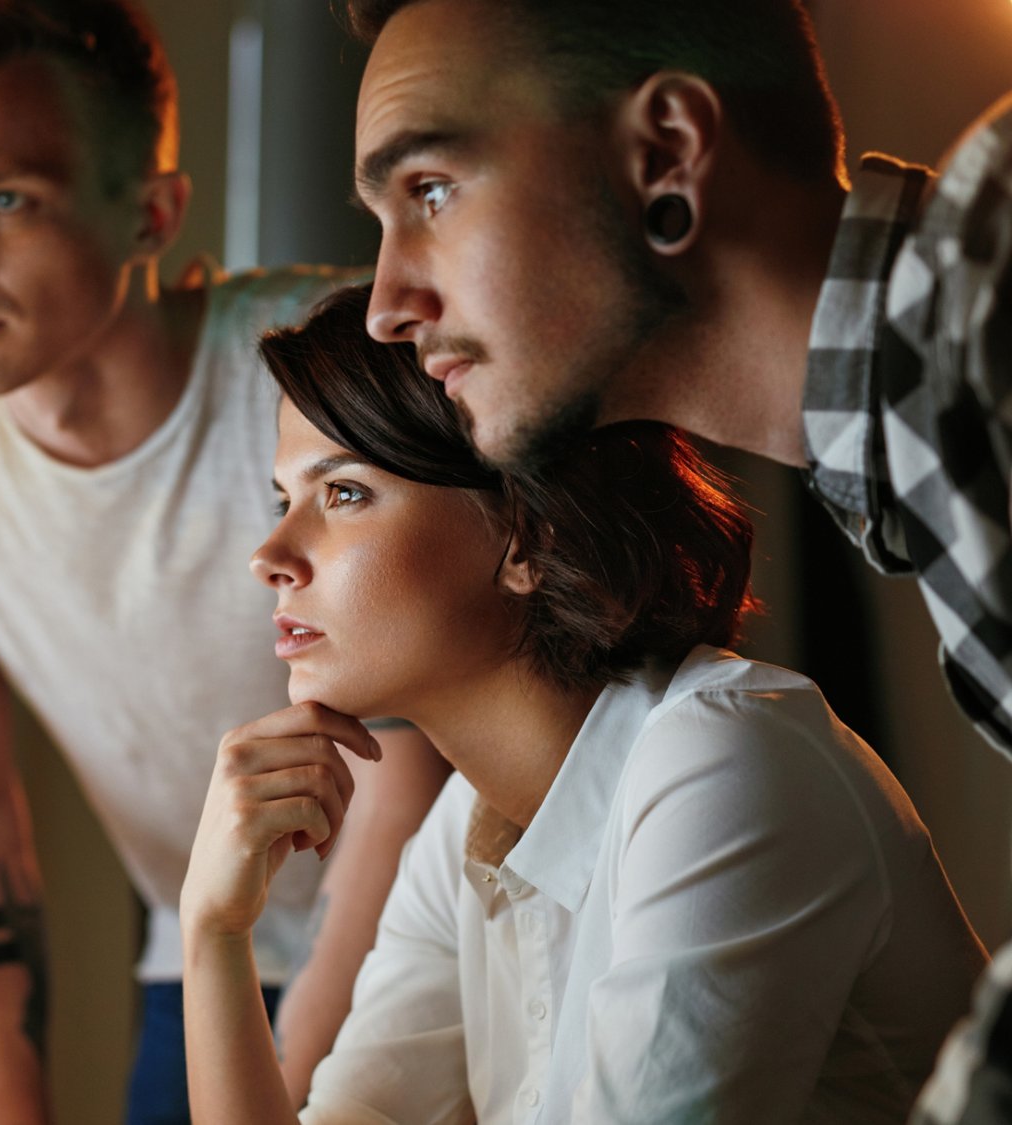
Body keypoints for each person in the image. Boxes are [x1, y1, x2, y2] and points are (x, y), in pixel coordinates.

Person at [339, 1, 1012, 1116]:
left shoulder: (987, 283)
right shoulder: (924, 447)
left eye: (430, 192)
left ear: (663, 156)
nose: (385, 306)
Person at [0, 2, 451, 1121]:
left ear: (151, 214)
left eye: (4, 201)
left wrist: (290, 1076)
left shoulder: (313, 370)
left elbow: (408, 750)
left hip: (428, 933)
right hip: (200, 942)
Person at [179, 284, 988, 1123]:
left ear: (528, 534)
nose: (269, 555)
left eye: (343, 492)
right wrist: (213, 933)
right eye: (285, 501)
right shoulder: (466, 828)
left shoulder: (730, 764)